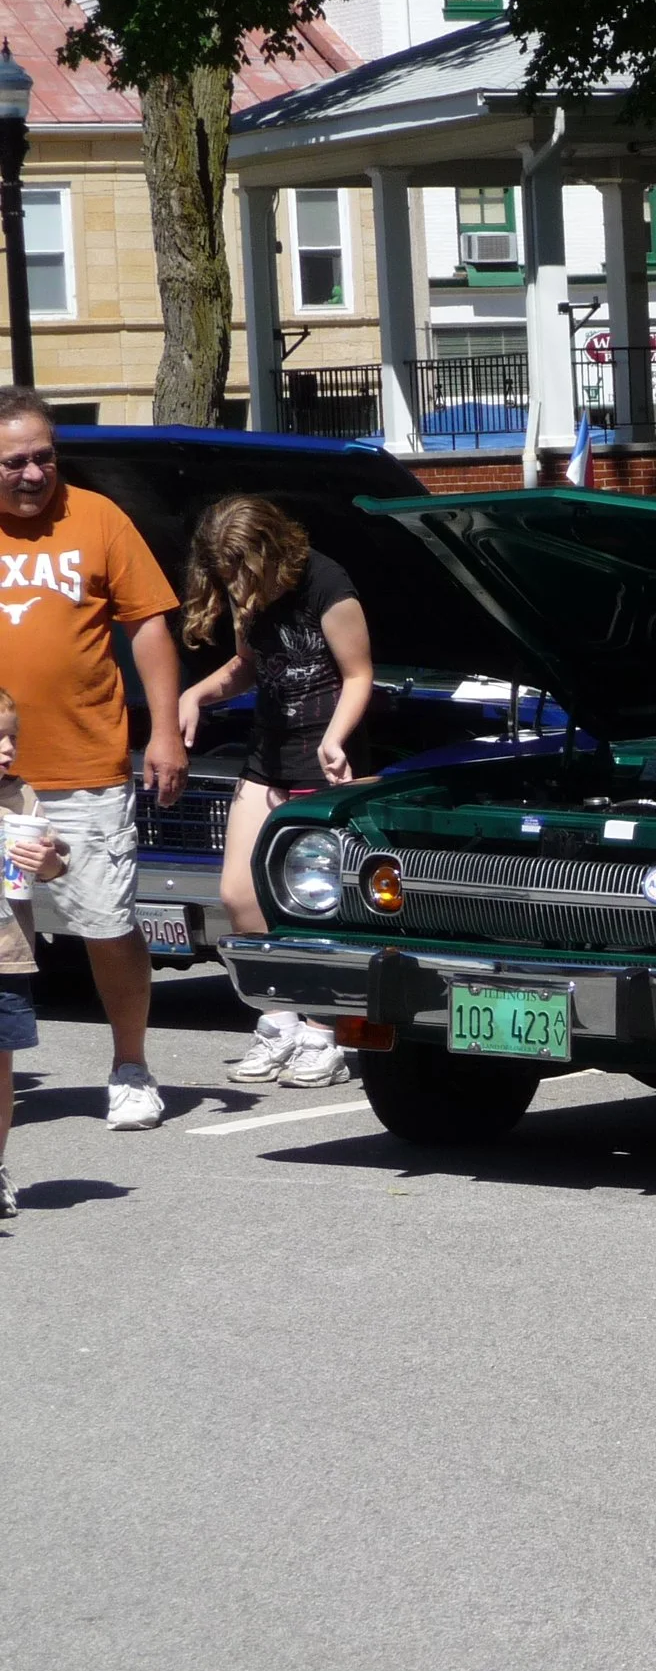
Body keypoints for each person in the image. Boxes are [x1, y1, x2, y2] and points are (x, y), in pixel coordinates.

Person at [0, 386, 187, 1130]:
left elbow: (148, 627)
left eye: (44, 456)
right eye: (14, 461)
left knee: (106, 924)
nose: (34, 473)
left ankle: (131, 1063)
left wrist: (166, 730)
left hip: (84, 770)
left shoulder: (99, 518)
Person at [176, 495, 373, 1089]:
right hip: (268, 756)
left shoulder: (326, 582)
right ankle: (279, 1021)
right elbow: (247, 666)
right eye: (224, 573)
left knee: (319, 905)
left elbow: (360, 673)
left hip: (329, 759)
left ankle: (323, 1032)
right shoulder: (245, 593)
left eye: (240, 569)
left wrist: (336, 739)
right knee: (239, 894)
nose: (234, 584)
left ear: (267, 550)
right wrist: (196, 695)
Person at [0, 687, 64, 1218]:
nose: (6, 749)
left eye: (11, 738)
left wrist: (45, 862)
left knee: (1, 1072)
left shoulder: (23, 798)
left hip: (7, 955)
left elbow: (55, 863)